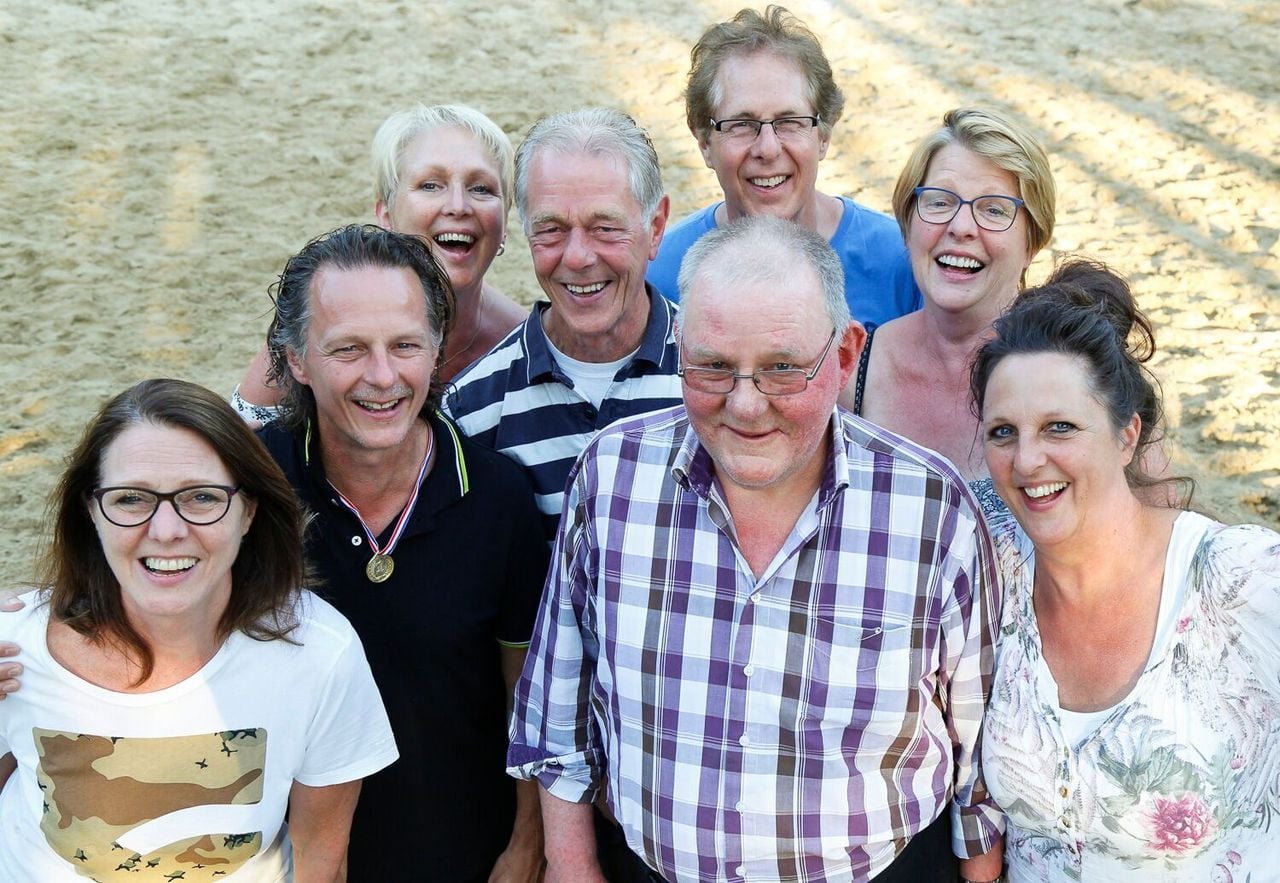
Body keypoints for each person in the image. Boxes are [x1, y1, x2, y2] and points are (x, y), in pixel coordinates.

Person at [510, 215, 1004, 882]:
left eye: (781, 369)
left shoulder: (933, 512)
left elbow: (978, 765)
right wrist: (571, 865)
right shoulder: (611, 477)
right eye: (712, 367)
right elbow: (559, 712)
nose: (744, 405)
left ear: (846, 354)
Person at [0, 378, 397, 880]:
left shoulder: (319, 653)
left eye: (202, 497)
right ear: (91, 511)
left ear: (249, 510)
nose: (166, 531)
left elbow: (322, 858)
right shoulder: (14, 645)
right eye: (130, 500)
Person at [257, 224, 550, 881]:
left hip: (465, 857)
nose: (383, 377)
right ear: (297, 359)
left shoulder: (498, 497)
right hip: (290, 859)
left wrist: (526, 845)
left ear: (437, 352)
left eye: (405, 346)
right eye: (349, 349)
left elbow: (528, 698)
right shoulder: (252, 486)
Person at [970, 259, 1280, 879]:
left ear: (1127, 435)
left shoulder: (1242, 580)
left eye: (1061, 427)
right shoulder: (986, 555)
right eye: (1004, 432)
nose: (1029, 461)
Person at [444, 107, 684, 540]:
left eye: (605, 227)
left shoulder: (718, 376)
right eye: (551, 229)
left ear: (656, 227)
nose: (577, 257)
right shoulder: (473, 411)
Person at [233, 103, 528, 422]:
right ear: (386, 215)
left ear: (504, 225)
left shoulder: (523, 347)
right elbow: (240, 438)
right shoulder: (324, 316)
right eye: (430, 185)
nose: (458, 206)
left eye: (481, 188)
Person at [646, 5, 920, 332]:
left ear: (824, 135)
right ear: (704, 142)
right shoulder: (659, 276)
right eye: (741, 124)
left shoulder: (900, 264)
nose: (768, 148)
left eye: (789, 122)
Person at [841, 106, 1056, 518]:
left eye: (994, 209)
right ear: (908, 225)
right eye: (939, 202)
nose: (961, 227)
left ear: (1032, 243)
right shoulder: (853, 377)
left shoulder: (1082, 372)